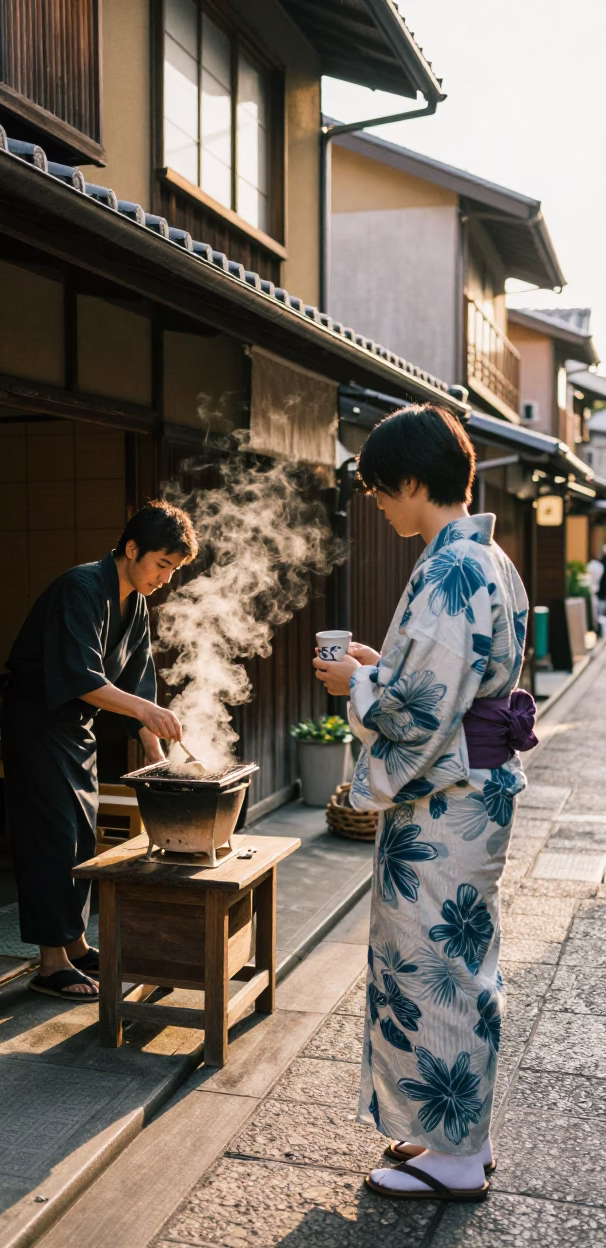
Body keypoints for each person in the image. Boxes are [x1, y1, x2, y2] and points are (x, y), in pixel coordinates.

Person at [314, 405, 537, 1203]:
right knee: (457, 964)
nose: (376, 503)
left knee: (436, 967)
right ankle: (457, 1136)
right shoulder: (488, 561)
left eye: (379, 489)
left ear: (413, 481)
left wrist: (360, 684)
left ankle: (455, 1153)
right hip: (470, 794)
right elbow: (445, 680)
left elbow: (418, 709)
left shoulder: (450, 569)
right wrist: (384, 668)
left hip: (447, 804)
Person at [1, 501, 198, 1001]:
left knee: (80, 836)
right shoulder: (80, 588)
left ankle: (75, 941)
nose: (165, 579)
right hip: (38, 722)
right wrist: (146, 713)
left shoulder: (133, 602)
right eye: (161, 565)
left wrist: (157, 749)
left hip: (75, 729)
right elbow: (81, 678)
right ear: (132, 549)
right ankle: (50, 964)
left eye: (172, 570)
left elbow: (136, 683)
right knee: (51, 836)